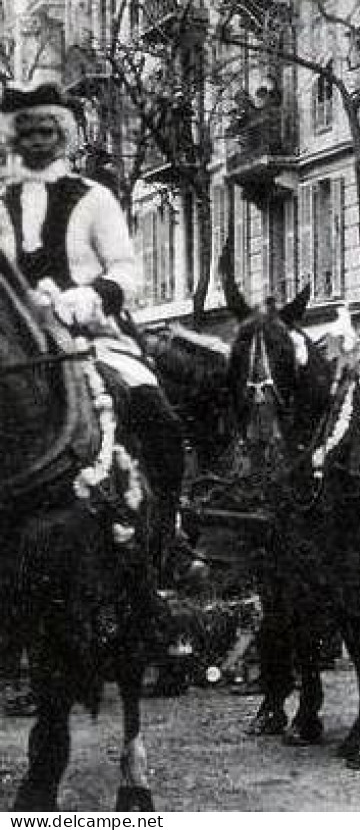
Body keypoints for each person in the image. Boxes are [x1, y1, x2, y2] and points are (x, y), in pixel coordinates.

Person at [0, 79, 187, 583]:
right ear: (15, 139)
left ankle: (168, 533)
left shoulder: (95, 197)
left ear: (62, 136)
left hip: (93, 337)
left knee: (154, 410)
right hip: (18, 343)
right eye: (28, 132)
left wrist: (91, 295)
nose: (39, 141)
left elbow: (128, 271)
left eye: (48, 131)